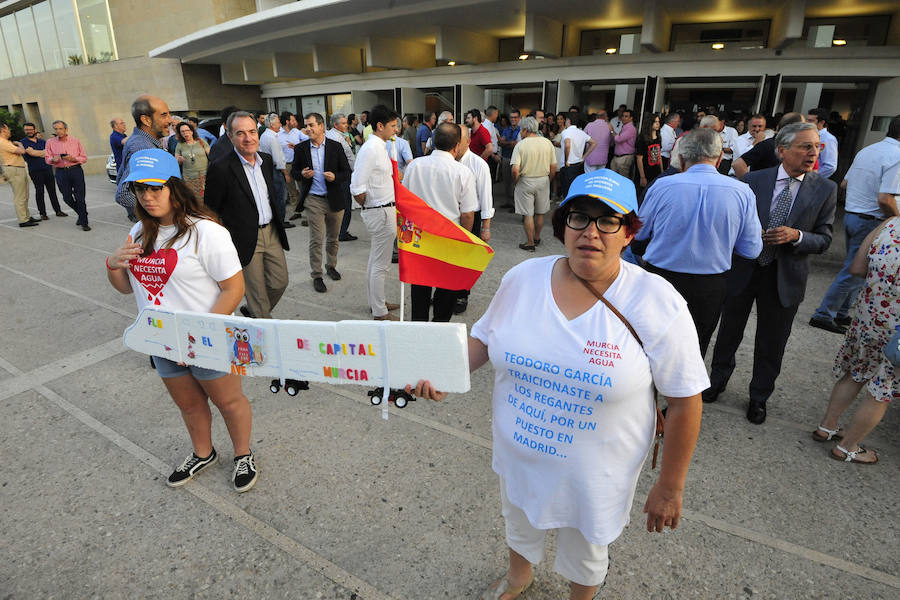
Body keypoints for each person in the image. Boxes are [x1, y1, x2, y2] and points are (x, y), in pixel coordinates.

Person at [411, 169, 706, 600]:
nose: (591, 232)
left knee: (587, 547)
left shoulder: (657, 301)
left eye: (609, 221)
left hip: (595, 474)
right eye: (579, 218)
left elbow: (685, 400)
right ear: (562, 224)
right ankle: (518, 577)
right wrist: (442, 376)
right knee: (518, 520)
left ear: (628, 233)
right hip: (519, 454)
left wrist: (670, 486)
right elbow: (485, 338)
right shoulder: (523, 279)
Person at [105, 148, 257, 492]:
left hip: (208, 340)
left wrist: (197, 336)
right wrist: (113, 264)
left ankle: (243, 454)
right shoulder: (138, 233)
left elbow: (234, 289)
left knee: (229, 402)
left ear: (175, 187)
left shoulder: (207, 233)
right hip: (161, 341)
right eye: (140, 189)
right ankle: (203, 453)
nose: (147, 196)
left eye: (155, 188)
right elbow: (125, 289)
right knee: (189, 405)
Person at [705, 123, 837, 424]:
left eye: (817, 146)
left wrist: (797, 236)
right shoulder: (753, 180)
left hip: (785, 275)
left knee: (772, 342)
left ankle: (759, 397)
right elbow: (732, 222)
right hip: (745, 269)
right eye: (805, 146)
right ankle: (717, 381)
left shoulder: (825, 189)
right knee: (728, 332)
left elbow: (825, 239)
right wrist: (748, 233)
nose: (813, 152)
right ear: (782, 151)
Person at [635, 129, 763, 356]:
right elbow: (751, 249)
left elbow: (639, 233)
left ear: (681, 158)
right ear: (718, 159)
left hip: (661, 278)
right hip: (710, 284)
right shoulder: (742, 192)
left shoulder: (662, 186)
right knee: (695, 349)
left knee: (651, 346)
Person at [813, 216, 899, 464]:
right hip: (897, 332)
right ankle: (848, 446)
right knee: (881, 391)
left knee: (855, 372)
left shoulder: (890, 224)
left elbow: (857, 269)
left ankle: (827, 426)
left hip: (868, 316)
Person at [810, 115, 900, 334]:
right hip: (873, 219)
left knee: (858, 269)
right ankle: (824, 313)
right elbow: (885, 198)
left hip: (854, 215)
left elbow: (845, 183)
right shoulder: (897, 155)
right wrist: (896, 221)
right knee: (854, 270)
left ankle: (840, 312)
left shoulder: (868, 150)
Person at [205, 111, 290, 319]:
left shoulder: (267, 161)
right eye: (240, 133)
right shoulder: (221, 167)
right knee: (258, 295)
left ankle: (254, 312)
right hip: (242, 238)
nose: (248, 138)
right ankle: (265, 337)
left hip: (271, 232)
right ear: (231, 136)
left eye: (252, 131)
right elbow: (210, 210)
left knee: (280, 282)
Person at [403, 122, 477, 322]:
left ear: (433, 142)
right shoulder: (462, 172)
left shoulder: (415, 166)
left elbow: (404, 202)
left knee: (420, 289)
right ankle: (439, 330)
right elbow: (468, 214)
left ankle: (419, 329)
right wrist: (465, 239)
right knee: (446, 292)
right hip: (449, 239)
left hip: (419, 238)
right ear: (456, 146)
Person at [292, 112, 351, 293]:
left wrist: (335, 177)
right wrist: (301, 174)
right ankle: (316, 274)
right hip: (313, 199)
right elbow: (293, 172)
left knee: (333, 238)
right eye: (306, 125)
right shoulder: (301, 148)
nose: (307, 129)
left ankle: (331, 266)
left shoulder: (335, 146)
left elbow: (346, 172)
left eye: (311, 125)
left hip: (333, 198)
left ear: (321, 126)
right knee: (316, 239)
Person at [351, 105, 401, 321]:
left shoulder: (379, 146)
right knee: (381, 264)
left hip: (382, 209)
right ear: (379, 126)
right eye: (392, 126)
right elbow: (357, 187)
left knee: (375, 261)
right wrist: (370, 207)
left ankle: (377, 302)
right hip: (380, 211)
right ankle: (380, 311)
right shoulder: (371, 149)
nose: (396, 130)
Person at [454, 123, 494, 314]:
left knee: (467, 259)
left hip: (473, 217)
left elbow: (486, 198)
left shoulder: (479, 165)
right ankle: (447, 292)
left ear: (468, 141)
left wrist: (486, 227)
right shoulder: (449, 160)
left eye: (458, 140)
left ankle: (462, 294)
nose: (454, 144)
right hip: (452, 215)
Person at [117, 95, 174, 223]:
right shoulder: (143, 148)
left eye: (169, 114)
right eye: (164, 115)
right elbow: (123, 194)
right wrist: (157, 213)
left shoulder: (141, 142)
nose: (170, 120)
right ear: (146, 120)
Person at [511, 116, 557, 251]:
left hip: (525, 181)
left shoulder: (521, 145)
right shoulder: (547, 143)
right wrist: (548, 180)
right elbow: (553, 166)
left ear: (525, 129)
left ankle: (530, 243)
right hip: (543, 180)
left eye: (521, 129)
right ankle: (537, 237)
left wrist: (516, 181)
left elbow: (515, 170)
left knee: (528, 214)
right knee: (540, 213)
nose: (520, 132)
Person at [45, 120, 90, 231]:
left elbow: (84, 157)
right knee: (67, 198)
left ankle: (84, 223)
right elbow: (47, 158)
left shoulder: (75, 141)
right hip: (61, 172)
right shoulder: (50, 142)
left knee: (80, 198)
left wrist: (73, 158)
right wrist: (53, 159)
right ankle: (81, 213)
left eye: (60, 128)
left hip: (76, 170)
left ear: (66, 129)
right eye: (56, 129)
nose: (58, 131)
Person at [325, 113, 359, 241]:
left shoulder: (329, 135)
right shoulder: (338, 139)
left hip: (333, 174)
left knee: (336, 204)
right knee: (345, 204)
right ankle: (342, 232)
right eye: (343, 123)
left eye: (346, 123)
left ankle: (336, 230)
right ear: (335, 124)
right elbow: (349, 157)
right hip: (342, 174)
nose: (346, 125)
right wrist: (355, 172)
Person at [20, 122, 65, 219]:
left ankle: (58, 211)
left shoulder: (43, 142)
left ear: (34, 130)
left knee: (52, 191)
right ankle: (43, 213)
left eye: (30, 129)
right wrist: (42, 153)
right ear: (24, 131)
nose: (29, 131)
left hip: (48, 169)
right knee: (40, 192)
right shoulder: (23, 142)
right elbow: (32, 154)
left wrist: (36, 152)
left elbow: (50, 153)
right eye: (27, 130)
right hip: (35, 171)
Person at [1, 123, 38, 227]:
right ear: (3, 130)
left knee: (24, 194)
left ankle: (26, 216)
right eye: (8, 129)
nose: (9, 131)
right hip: (14, 169)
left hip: (17, 168)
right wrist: (20, 144)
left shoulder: (6, 142)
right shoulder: (3, 142)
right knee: (20, 196)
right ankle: (23, 220)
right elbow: (22, 151)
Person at [174, 120, 210, 198]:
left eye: (187, 130)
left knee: (207, 197)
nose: (185, 133)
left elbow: (211, 156)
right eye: (182, 131)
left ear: (192, 131)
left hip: (205, 176)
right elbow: (176, 160)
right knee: (194, 198)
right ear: (180, 134)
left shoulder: (201, 142)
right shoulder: (179, 145)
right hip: (189, 178)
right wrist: (179, 160)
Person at [634, 113, 664, 192]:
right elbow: (639, 158)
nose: (658, 124)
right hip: (645, 170)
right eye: (655, 122)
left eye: (658, 121)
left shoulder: (658, 137)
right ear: (649, 123)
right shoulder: (642, 138)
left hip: (655, 171)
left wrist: (661, 171)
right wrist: (642, 177)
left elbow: (659, 155)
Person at [807, 107, 838, 179]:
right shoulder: (808, 135)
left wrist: (811, 178)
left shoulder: (828, 139)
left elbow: (830, 166)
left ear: (822, 122)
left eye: (811, 121)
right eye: (807, 120)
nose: (807, 123)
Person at [610, 109, 636, 178]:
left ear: (631, 118)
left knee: (622, 180)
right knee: (613, 178)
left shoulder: (631, 128)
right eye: (623, 116)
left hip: (624, 157)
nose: (623, 118)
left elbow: (619, 139)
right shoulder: (624, 127)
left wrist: (612, 130)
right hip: (618, 157)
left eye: (626, 116)